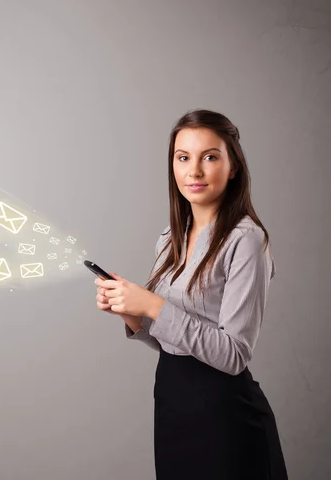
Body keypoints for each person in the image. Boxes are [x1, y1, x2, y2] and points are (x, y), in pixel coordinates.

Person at [95, 109, 288, 480]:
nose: (194, 171)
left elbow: (233, 355)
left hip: (225, 417)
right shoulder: (170, 239)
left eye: (210, 157)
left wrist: (152, 303)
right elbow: (175, 344)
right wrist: (130, 313)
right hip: (172, 406)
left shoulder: (246, 240)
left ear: (233, 167)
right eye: (183, 158)